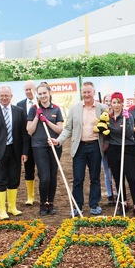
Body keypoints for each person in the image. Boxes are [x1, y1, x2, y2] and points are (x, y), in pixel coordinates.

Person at [51, 81, 107, 216]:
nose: (87, 94)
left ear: (94, 92)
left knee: (95, 177)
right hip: (79, 147)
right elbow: (68, 129)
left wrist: (107, 144)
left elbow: (108, 128)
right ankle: (77, 206)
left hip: (95, 146)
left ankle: (94, 205)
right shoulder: (74, 108)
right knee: (78, 178)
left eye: (89, 92)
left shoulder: (103, 108)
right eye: (84, 92)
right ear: (82, 93)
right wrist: (58, 141)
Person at [0, 85, 30, 220]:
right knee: (0, 180)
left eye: (6, 95)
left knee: (14, 179)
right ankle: (2, 210)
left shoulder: (19, 111)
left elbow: (24, 133)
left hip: (15, 151)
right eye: (1, 96)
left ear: (11, 96)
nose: (4, 98)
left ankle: (12, 207)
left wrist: (25, 152)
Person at [106, 92, 135, 218]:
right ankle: (123, 202)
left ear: (122, 103)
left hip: (128, 148)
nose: (116, 105)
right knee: (118, 178)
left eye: (119, 102)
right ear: (111, 104)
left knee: (132, 177)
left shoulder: (128, 116)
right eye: (114, 102)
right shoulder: (108, 118)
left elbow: (129, 134)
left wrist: (127, 119)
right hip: (114, 149)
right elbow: (105, 134)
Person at [26, 82, 64, 216]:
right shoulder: (33, 109)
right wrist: (37, 116)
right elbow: (29, 131)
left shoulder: (56, 109)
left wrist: (47, 121)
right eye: (40, 94)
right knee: (45, 177)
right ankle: (43, 203)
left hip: (54, 145)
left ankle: (51, 202)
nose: (42, 96)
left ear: (49, 93)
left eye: (44, 93)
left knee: (53, 176)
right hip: (39, 146)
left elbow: (60, 130)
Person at [17, 80, 37, 206]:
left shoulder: (41, 103)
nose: (29, 92)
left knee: (43, 170)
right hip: (26, 143)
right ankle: (30, 196)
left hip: (40, 142)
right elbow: (20, 127)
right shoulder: (19, 105)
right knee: (28, 169)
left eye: (31, 89)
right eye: (26, 89)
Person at [101, 94, 115, 204]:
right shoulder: (102, 116)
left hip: (114, 147)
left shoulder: (115, 115)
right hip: (105, 149)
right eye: (107, 101)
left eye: (111, 101)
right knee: (107, 172)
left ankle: (118, 193)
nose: (109, 103)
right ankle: (110, 195)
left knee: (116, 172)